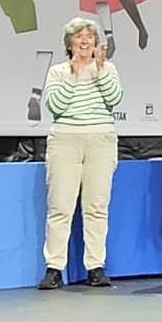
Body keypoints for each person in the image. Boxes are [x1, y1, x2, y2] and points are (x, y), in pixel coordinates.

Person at [37, 17, 123, 290]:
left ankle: (95, 267)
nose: (84, 41)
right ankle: (54, 269)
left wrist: (100, 70)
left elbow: (114, 98)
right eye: (79, 36)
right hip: (65, 140)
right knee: (60, 207)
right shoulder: (58, 71)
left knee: (96, 207)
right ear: (69, 44)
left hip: (101, 140)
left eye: (89, 36)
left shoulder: (107, 68)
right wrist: (74, 74)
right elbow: (55, 105)